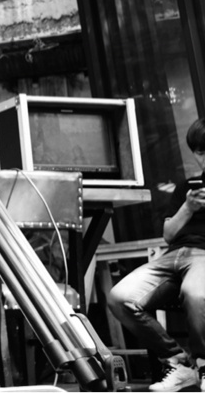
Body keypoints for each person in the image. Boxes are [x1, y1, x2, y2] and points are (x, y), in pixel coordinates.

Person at [108, 117, 205, 392]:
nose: (204, 158)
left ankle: (203, 364)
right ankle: (180, 364)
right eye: (199, 152)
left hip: (202, 256)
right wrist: (188, 207)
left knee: (196, 294)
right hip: (173, 255)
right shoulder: (186, 188)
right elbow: (169, 234)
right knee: (119, 297)